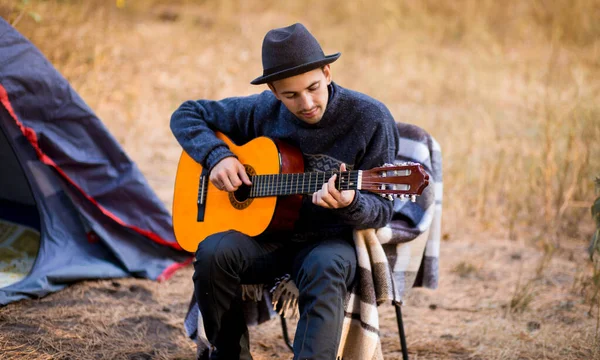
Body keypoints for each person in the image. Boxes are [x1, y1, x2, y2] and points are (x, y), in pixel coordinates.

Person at [170, 23, 399, 360]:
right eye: (290, 95)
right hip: (265, 239)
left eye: (314, 88)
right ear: (274, 91)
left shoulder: (369, 118)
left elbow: (382, 208)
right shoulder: (261, 110)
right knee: (212, 252)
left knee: (325, 266)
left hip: (328, 242)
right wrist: (217, 157)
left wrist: (350, 202)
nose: (306, 103)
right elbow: (187, 114)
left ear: (327, 71)